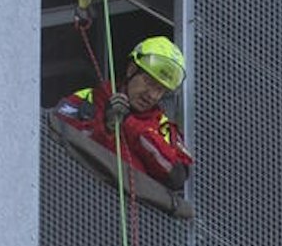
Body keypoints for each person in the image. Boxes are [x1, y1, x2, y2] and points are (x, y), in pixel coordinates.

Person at [54, 33, 193, 195]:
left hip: (132, 209)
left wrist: (129, 123)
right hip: (76, 194)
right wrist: (106, 127)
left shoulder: (164, 128)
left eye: (160, 89)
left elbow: (177, 176)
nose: (152, 95)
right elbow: (58, 138)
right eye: (149, 82)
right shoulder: (88, 99)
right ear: (131, 70)